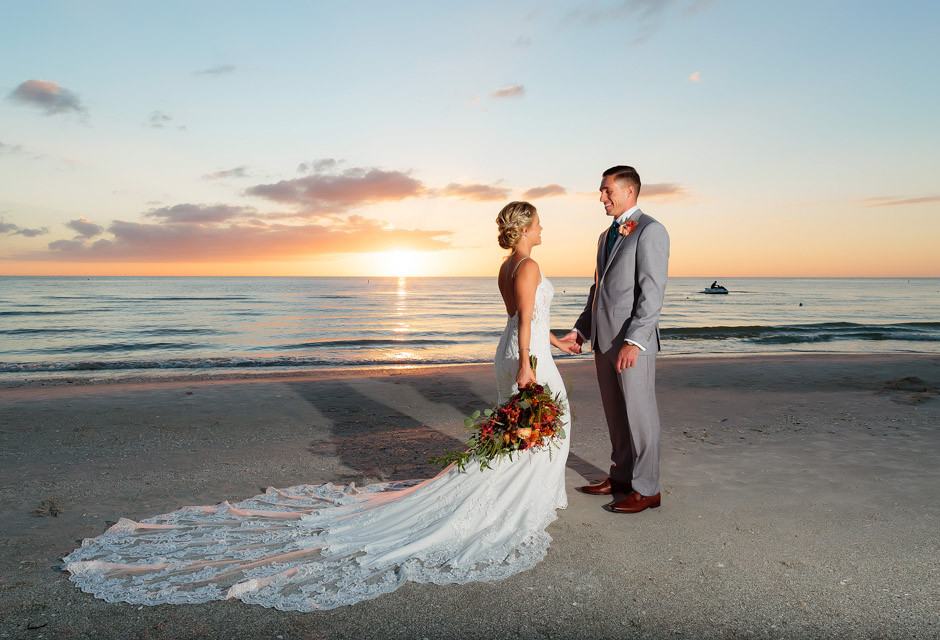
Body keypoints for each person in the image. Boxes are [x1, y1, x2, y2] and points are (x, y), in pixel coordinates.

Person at [62, 201, 578, 612]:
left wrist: (558, 346)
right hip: (523, 357)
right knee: (541, 426)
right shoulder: (528, 264)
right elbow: (526, 318)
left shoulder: (507, 265)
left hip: (514, 351)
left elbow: (520, 319)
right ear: (526, 226)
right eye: (538, 221)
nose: (542, 228)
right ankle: (519, 502)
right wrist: (533, 364)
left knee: (520, 431)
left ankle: (520, 492)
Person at [562, 166, 669, 514]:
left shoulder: (651, 231)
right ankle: (621, 477)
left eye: (607, 191)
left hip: (630, 345)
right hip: (602, 341)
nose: (602, 197)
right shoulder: (603, 236)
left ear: (629, 192)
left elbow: (652, 293)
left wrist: (634, 341)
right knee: (616, 415)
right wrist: (581, 330)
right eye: (602, 191)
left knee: (641, 416)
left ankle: (647, 488)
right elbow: (599, 289)